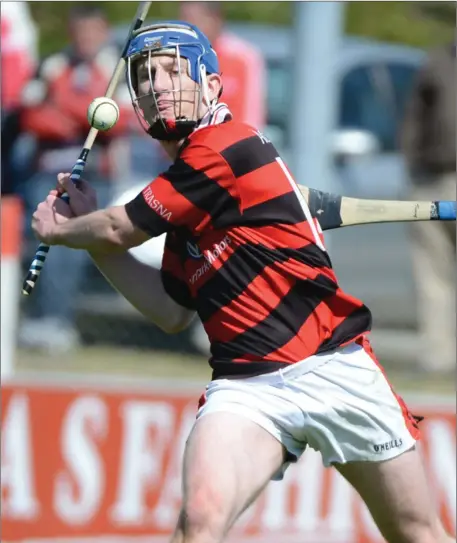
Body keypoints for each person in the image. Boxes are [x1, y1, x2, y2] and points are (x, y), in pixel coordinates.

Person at [31, 22, 454, 543]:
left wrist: (65, 229)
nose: (156, 85)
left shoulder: (228, 145)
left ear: (211, 85)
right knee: (201, 518)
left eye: (171, 71)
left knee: (418, 531)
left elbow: (122, 227)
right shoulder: (183, 207)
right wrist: (90, 239)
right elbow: (170, 311)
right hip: (246, 388)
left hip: (333, 365)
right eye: (144, 78)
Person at [18, 5, 135, 351]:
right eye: (80, 32)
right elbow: (31, 115)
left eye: (93, 32)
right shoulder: (53, 65)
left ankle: (63, 321)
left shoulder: (118, 68)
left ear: (102, 32)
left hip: (98, 175)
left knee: (79, 251)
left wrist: (67, 108)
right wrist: (83, 112)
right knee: (45, 246)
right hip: (50, 174)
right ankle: (43, 320)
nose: (86, 40)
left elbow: (120, 120)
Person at [400, 42, 456, 376]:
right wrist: (413, 168)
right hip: (432, 180)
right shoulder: (436, 63)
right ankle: (439, 357)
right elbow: (413, 119)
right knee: (433, 274)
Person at [179, 1, 266, 128]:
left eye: (194, 19)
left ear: (216, 19)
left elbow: (252, 115)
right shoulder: (177, 55)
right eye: (183, 19)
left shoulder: (243, 58)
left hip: (230, 144)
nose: (187, 27)